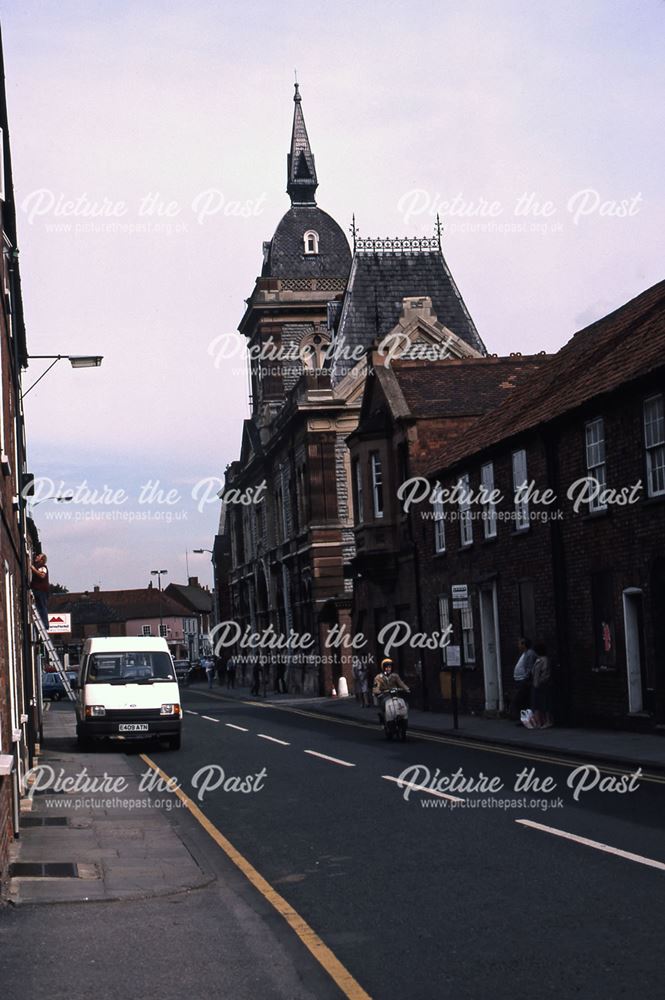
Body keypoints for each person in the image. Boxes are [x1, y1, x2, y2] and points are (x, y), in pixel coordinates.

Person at [373, 657, 409, 724]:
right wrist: (377, 691)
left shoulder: (395, 676)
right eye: (386, 667)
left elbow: (401, 683)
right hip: (384, 695)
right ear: (383, 668)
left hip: (395, 694)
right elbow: (376, 687)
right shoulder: (378, 677)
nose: (388, 669)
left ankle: (402, 717)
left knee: (402, 703)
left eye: (390, 667)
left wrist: (406, 688)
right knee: (384, 703)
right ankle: (383, 718)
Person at [510, 637, 537, 724]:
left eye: (520, 643)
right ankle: (523, 720)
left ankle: (524, 720)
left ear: (524, 645)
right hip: (519, 680)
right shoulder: (525, 653)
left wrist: (526, 678)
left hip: (523, 680)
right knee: (520, 701)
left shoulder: (529, 653)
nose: (518, 645)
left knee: (520, 700)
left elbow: (529, 668)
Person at [531, 641, 553, 728]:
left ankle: (548, 721)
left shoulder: (544, 660)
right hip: (537, 685)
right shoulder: (539, 660)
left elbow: (545, 673)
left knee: (545, 703)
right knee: (540, 704)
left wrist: (540, 681)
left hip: (543, 685)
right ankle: (542, 722)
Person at [30, 553, 50, 626]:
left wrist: (33, 569)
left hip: (42, 591)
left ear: (42, 560)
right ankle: (41, 623)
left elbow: (42, 575)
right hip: (37, 590)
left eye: (39, 556)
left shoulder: (43, 567)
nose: (36, 557)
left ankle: (44, 624)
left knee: (42, 607)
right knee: (39, 607)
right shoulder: (38, 566)